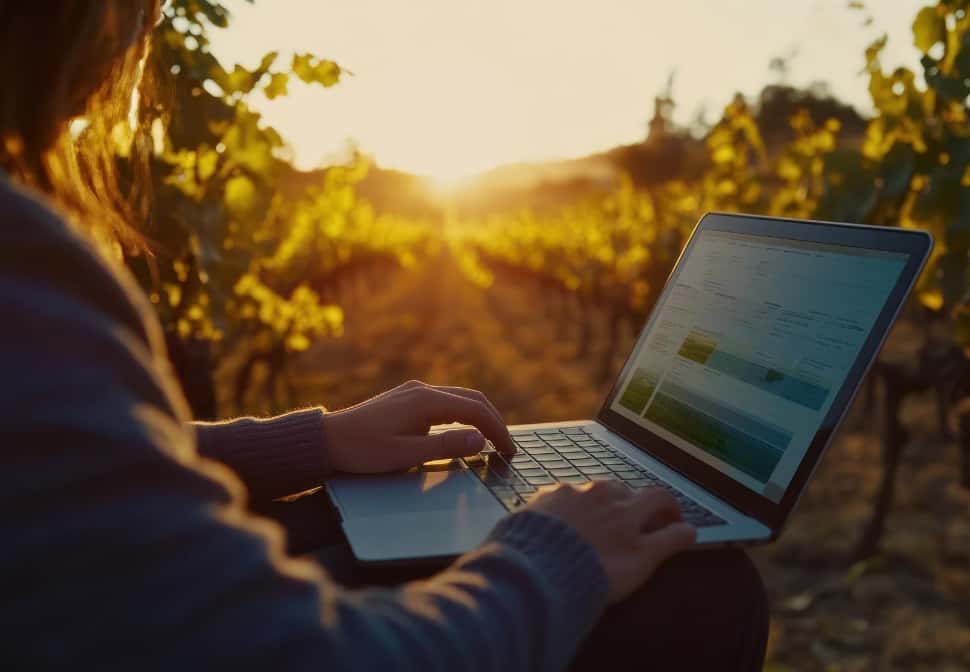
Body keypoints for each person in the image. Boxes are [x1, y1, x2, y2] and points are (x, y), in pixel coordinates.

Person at [0, 2, 768, 670]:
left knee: (368, 516)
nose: (155, 15)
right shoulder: (20, 258)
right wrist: (553, 558)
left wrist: (318, 443)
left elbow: (45, 471)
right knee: (704, 591)